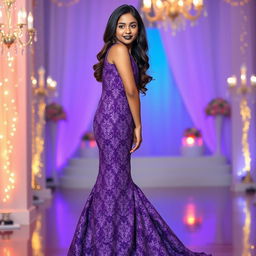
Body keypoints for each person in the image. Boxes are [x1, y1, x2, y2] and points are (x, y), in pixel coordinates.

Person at [68, 4, 211, 256]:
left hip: (114, 119)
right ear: (113, 28)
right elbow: (131, 91)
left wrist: (131, 123)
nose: (127, 30)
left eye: (132, 25)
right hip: (114, 120)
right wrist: (138, 125)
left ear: (138, 29)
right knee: (113, 181)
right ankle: (106, 243)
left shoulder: (124, 52)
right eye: (122, 25)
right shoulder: (119, 50)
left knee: (115, 181)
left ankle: (109, 241)